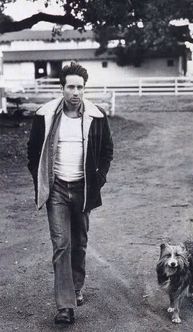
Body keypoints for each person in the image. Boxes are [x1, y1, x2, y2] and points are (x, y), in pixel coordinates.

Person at [27, 62, 113, 325]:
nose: (76, 92)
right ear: (61, 88)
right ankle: (65, 306)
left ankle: (76, 287)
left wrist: (97, 180)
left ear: (84, 89)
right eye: (71, 87)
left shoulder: (96, 116)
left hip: (83, 188)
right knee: (61, 244)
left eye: (80, 87)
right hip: (57, 190)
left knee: (79, 242)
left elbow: (107, 151)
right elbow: (33, 152)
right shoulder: (45, 115)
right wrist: (41, 179)